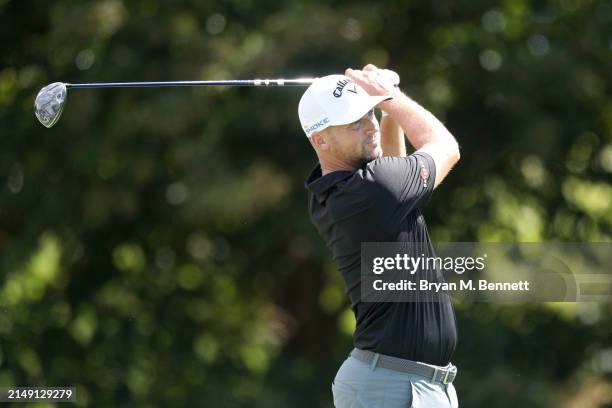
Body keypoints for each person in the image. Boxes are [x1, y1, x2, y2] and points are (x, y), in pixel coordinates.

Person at [299, 64, 461, 407]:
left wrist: (387, 112)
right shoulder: (369, 192)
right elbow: (446, 147)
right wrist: (392, 98)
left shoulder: (337, 190)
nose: (369, 126)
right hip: (391, 386)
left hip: (409, 383)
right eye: (353, 123)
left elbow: (391, 167)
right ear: (320, 139)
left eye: (369, 114)